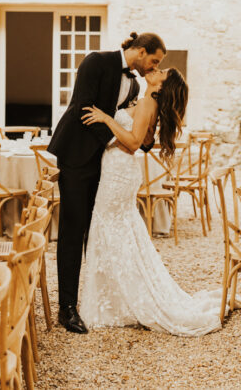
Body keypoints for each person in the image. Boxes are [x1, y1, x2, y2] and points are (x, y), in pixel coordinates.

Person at [78, 68, 240, 336]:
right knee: (120, 232)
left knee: (109, 230)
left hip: (119, 171)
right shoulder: (147, 103)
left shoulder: (145, 103)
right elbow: (146, 141)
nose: (156, 69)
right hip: (121, 170)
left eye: (162, 71)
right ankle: (115, 300)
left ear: (162, 86)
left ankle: (114, 304)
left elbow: (132, 143)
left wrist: (107, 118)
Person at [47, 31, 166, 333]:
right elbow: (84, 110)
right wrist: (121, 137)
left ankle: (96, 301)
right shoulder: (95, 62)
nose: (153, 68)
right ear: (140, 51)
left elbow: (126, 124)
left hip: (106, 164)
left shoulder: (136, 84)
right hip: (75, 157)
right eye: (153, 61)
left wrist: (139, 134)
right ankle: (67, 308)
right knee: (73, 230)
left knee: (97, 232)